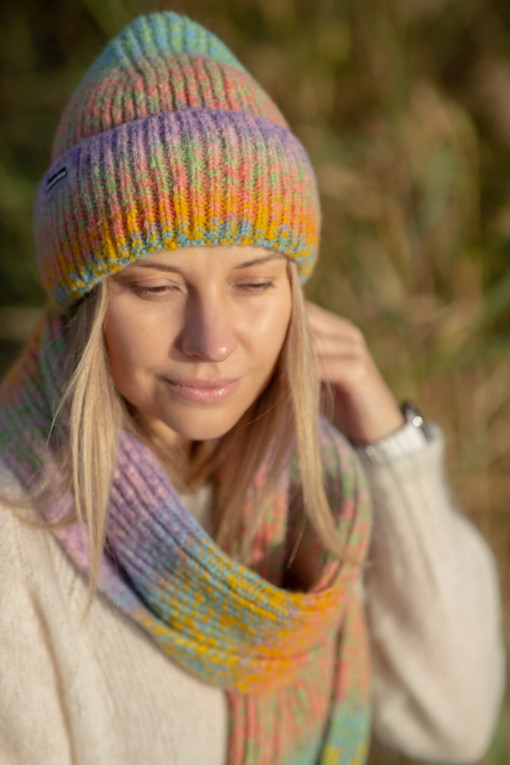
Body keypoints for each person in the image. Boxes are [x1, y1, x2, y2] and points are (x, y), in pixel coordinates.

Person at [0, 11, 504, 765]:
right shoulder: (19, 535)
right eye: (155, 286)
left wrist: (387, 446)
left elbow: (453, 721)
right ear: (86, 302)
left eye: (254, 281)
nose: (213, 340)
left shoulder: (309, 491)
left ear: (297, 291)